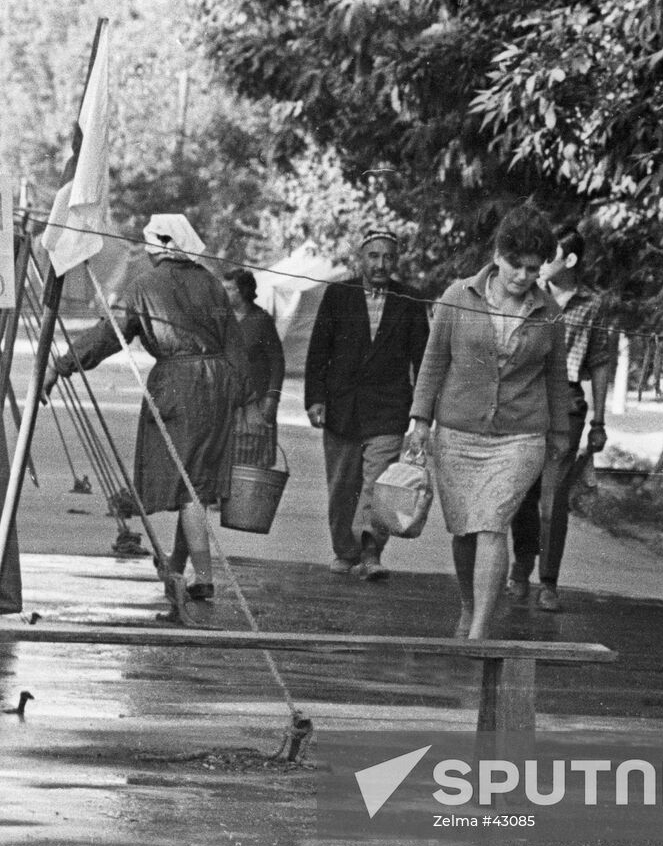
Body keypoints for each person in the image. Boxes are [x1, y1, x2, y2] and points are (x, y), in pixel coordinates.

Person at [43, 214, 253, 618]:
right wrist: (246, 398)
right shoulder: (210, 282)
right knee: (195, 480)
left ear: (165, 243)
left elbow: (110, 335)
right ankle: (178, 567)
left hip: (179, 384)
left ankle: (203, 574)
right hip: (219, 383)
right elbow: (234, 343)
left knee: (186, 484)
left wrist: (63, 365)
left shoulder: (146, 285)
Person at [407, 205, 571, 638]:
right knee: (464, 530)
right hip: (458, 432)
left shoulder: (549, 312)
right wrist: (420, 419)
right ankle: (468, 605)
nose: (522, 275)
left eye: (533, 269)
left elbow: (557, 377)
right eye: (516, 264)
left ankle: (480, 629)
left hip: (520, 436)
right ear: (498, 255)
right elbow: (433, 360)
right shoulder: (457, 297)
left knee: (492, 522)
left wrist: (560, 433)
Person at [304, 228, 430, 580]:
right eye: (373, 256)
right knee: (343, 484)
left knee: (380, 483)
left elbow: (424, 360)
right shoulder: (338, 295)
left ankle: (371, 550)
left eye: (388, 257)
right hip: (341, 406)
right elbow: (319, 349)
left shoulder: (410, 301)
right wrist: (315, 399)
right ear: (360, 259)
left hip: (389, 408)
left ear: (397, 260)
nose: (381, 264)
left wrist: (422, 414)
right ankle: (345, 552)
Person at [508, 224, 617, 612]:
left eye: (548, 256)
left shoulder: (594, 304)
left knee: (552, 499)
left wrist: (599, 421)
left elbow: (601, 362)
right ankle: (521, 566)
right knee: (523, 490)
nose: (538, 264)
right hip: (526, 398)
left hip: (567, 403)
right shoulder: (528, 295)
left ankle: (548, 581)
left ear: (568, 260)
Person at [223, 269, 284, 470]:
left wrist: (272, 398)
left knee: (253, 463)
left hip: (256, 403)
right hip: (226, 401)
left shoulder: (261, 320)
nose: (225, 293)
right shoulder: (222, 318)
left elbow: (277, 362)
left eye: (230, 289)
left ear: (244, 291)